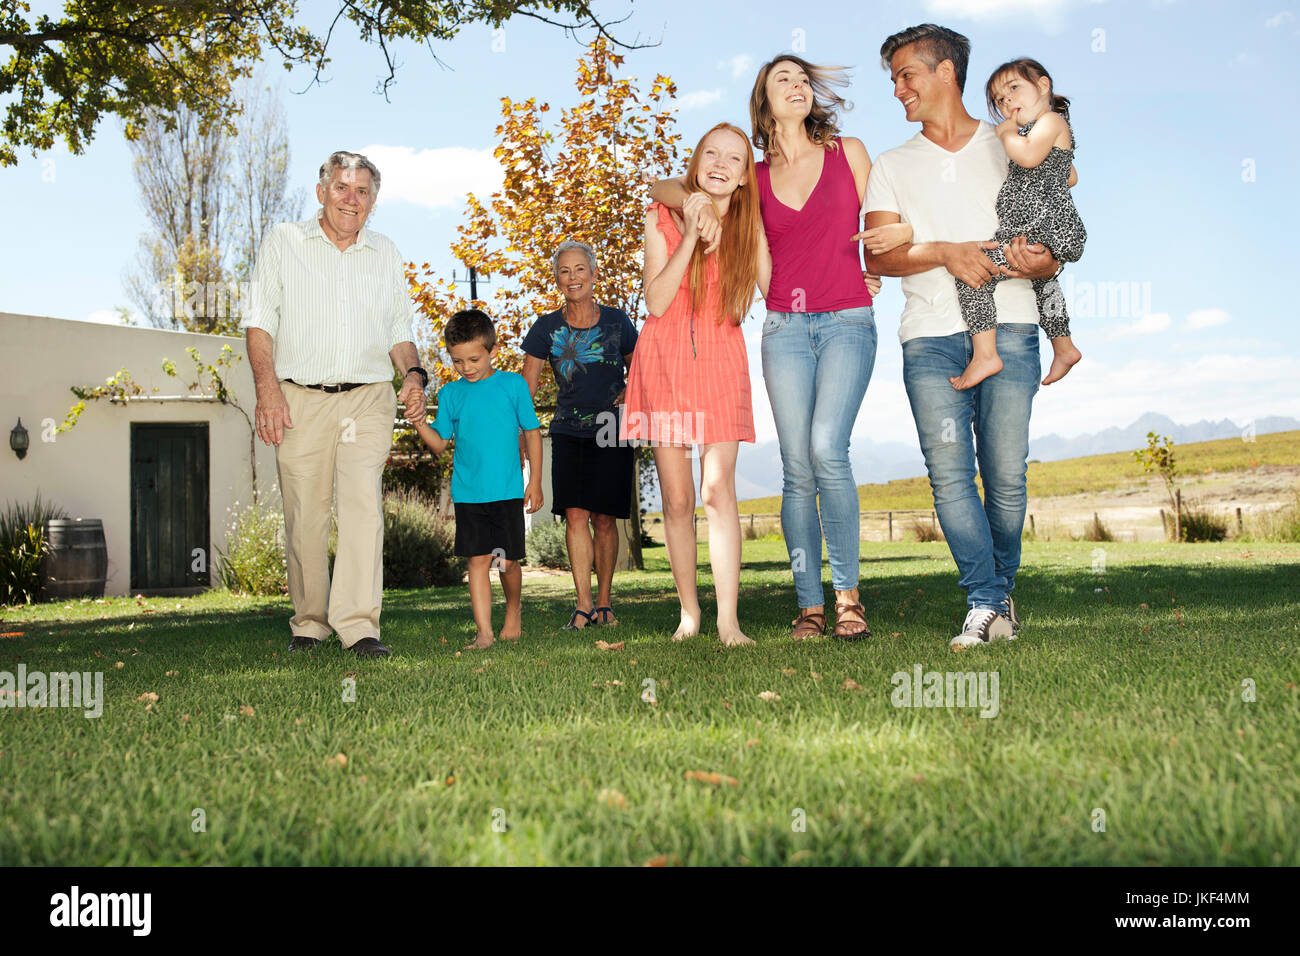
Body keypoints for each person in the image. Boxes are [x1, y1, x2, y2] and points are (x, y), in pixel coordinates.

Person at [654, 55, 909, 642]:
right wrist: (692, 201)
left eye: (802, 79)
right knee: (796, 466)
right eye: (781, 81)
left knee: (827, 449)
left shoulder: (850, 153)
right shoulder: (756, 178)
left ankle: (848, 598)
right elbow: (665, 186)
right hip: (784, 329)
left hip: (848, 319)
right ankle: (809, 607)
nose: (796, 87)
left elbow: (886, 222)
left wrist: (885, 257)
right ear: (764, 104)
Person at [861, 24, 1066, 649]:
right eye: (893, 79)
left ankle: (997, 596)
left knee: (1005, 477)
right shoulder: (892, 164)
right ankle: (985, 600)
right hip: (927, 337)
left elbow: (1054, 235)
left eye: (906, 75)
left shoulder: (1013, 144)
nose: (898, 90)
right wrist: (947, 252)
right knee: (950, 476)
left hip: (1012, 328)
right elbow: (879, 258)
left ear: (945, 72)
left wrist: (1044, 261)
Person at [243, 150, 428, 659]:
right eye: (342, 187)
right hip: (300, 398)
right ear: (321, 190)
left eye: (362, 191)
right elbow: (260, 323)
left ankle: (359, 625)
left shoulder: (384, 252)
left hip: (368, 398)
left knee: (363, 506)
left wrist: (413, 373)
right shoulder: (284, 241)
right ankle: (309, 623)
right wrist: (267, 390)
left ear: (373, 200)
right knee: (306, 515)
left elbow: (398, 330)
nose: (352, 198)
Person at [624, 122, 770, 646]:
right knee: (678, 498)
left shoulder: (752, 226)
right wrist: (689, 230)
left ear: (745, 176)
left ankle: (729, 620)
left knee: (717, 492)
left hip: (719, 360)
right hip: (663, 362)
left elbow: (778, 286)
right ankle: (690, 614)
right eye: (711, 152)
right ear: (696, 159)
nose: (720, 163)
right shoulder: (662, 213)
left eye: (734, 158)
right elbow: (657, 303)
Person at [947, 57, 1086, 390]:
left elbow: (1026, 157)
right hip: (1038, 227)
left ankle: (985, 354)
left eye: (1013, 89)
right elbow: (1072, 176)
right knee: (1044, 283)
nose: (1006, 101)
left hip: (1039, 226)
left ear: (1042, 86)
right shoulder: (1043, 132)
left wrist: (1008, 135)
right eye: (999, 99)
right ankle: (1064, 347)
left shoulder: (1049, 121)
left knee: (973, 276)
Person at [521, 242, 638, 630]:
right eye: (564, 271)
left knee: (605, 519)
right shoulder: (545, 328)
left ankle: (605, 602)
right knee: (575, 514)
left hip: (611, 430)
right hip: (568, 429)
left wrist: (631, 390)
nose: (572, 278)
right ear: (557, 278)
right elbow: (528, 387)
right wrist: (520, 435)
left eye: (579, 270)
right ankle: (583, 605)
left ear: (593, 273)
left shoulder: (618, 322)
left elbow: (640, 368)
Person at [414, 309, 543, 650]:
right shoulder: (450, 395)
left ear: (493, 351)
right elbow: (440, 443)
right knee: (478, 561)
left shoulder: (512, 385)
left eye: (474, 359)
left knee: (506, 561)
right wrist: (418, 422)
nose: (467, 368)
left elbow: (532, 432)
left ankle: (513, 609)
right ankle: (484, 632)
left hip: (506, 491)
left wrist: (536, 482)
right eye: (458, 361)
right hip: (469, 494)